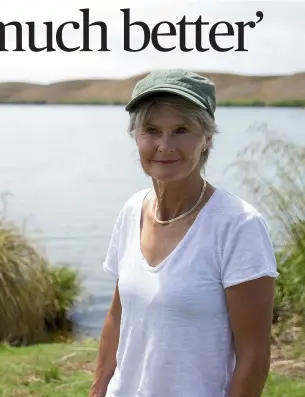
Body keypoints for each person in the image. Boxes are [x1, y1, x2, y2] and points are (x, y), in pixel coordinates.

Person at [89, 69, 279, 397]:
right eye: (151, 130)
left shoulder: (238, 226)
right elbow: (118, 318)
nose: (164, 146)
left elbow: (254, 357)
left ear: (207, 138)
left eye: (181, 130)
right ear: (136, 137)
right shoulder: (133, 210)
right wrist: (98, 390)